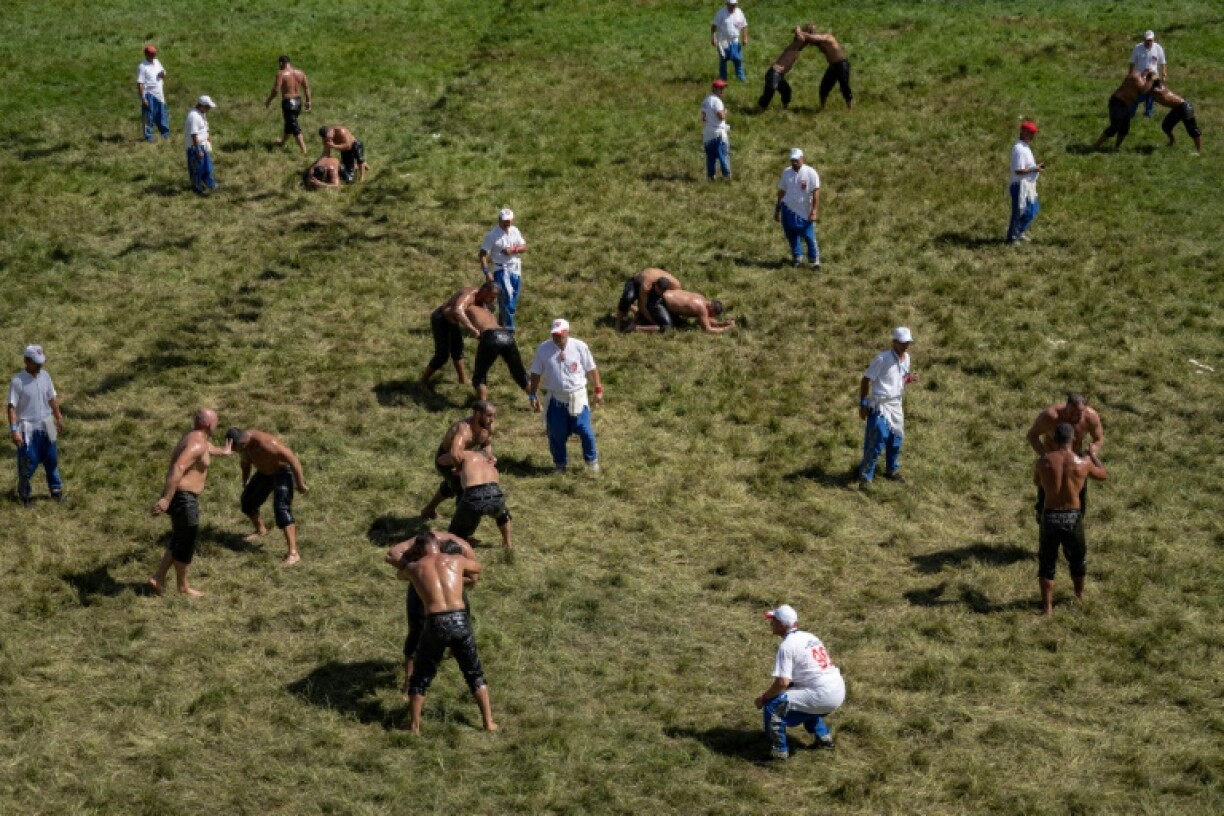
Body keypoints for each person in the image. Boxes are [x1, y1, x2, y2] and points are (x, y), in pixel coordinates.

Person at [397, 533, 497, 734]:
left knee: (420, 678)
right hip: (460, 619)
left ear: (419, 550)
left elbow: (400, 575)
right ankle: (488, 723)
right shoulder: (456, 560)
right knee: (474, 674)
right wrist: (456, 578)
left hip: (435, 622)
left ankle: (414, 726)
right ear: (439, 546)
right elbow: (477, 568)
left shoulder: (414, 568)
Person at [148, 408, 232, 596]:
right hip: (183, 499)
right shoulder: (197, 444)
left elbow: (206, 448)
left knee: (179, 538)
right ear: (209, 425)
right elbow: (178, 467)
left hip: (182, 498)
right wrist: (166, 499)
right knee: (186, 543)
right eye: (216, 422)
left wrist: (222, 451)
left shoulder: (194, 438)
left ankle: (158, 577)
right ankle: (183, 587)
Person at [385, 529, 477, 695]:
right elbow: (391, 554)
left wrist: (450, 578)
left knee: (461, 629)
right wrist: (415, 573)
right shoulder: (420, 542)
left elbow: (473, 578)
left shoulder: (462, 547)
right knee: (416, 630)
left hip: (452, 591)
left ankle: (454, 653)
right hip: (424, 589)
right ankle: (409, 679)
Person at [1034, 423, 1108, 616]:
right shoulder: (1082, 463)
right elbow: (1103, 475)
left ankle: (1047, 607)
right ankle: (1079, 594)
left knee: (1047, 561)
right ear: (1073, 439)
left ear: (1054, 439)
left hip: (1049, 515)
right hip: (1072, 516)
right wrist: (1092, 454)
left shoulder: (1043, 462)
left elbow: (1037, 481)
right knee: (1077, 559)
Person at [755, 604, 845, 760]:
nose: (770, 623)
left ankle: (779, 751)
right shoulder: (810, 637)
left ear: (782, 625)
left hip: (821, 694)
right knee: (804, 702)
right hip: (837, 689)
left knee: (773, 706)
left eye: (773, 620)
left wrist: (763, 698)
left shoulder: (786, 646)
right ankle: (824, 738)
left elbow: (782, 682)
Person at [225, 427, 310, 565]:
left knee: (281, 509)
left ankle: (293, 553)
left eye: (236, 449)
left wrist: (300, 484)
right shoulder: (244, 446)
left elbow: (293, 460)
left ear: (242, 443)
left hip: (282, 472)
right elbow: (245, 463)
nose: (236, 452)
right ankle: (260, 529)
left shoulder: (268, 444)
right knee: (247, 502)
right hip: (264, 473)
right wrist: (245, 480)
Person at [527, 319, 603, 474]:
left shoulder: (579, 346)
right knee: (556, 434)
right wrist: (532, 394)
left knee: (585, 431)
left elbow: (591, 368)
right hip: (556, 399)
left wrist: (598, 389)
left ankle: (591, 461)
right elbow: (535, 373)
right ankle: (560, 464)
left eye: (561, 334)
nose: (558, 337)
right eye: (555, 334)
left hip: (577, 397)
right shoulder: (543, 349)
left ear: (567, 332)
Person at [1026, 393, 1104, 518]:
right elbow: (1032, 435)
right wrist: (1046, 456)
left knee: (1077, 496)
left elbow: (1098, 439)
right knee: (1046, 497)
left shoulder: (1091, 416)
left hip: (1074, 461)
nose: (1074, 417)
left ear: (1085, 410)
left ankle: (1076, 521)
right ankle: (1043, 520)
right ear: (1065, 407)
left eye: (1078, 414)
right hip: (1052, 462)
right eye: (1071, 413)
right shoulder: (1051, 416)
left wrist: (1091, 454)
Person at [858, 327, 916, 486]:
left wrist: (909, 379)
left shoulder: (907, 358)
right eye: (903, 343)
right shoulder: (882, 359)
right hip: (880, 406)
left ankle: (892, 470)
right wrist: (863, 404)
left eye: (908, 342)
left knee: (896, 439)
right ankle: (865, 477)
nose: (906, 346)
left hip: (896, 405)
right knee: (877, 439)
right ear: (894, 342)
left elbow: (900, 378)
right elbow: (865, 380)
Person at [8, 344, 65, 506]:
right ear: (26, 361)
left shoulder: (45, 376)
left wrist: (58, 417)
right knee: (28, 462)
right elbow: (11, 407)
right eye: (35, 362)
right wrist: (14, 430)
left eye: (40, 362)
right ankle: (24, 495)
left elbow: (51, 399)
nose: (39, 365)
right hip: (27, 427)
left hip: (48, 423)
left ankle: (56, 491)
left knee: (52, 459)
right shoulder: (18, 381)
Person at [420, 402, 496, 520]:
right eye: (489, 415)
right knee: (465, 490)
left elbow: (487, 444)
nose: (492, 419)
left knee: (452, 485)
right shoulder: (464, 430)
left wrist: (488, 455)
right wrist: (460, 469)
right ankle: (461, 530)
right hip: (447, 460)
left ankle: (428, 510)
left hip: (464, 457)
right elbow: (454, 454)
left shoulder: (487, 426)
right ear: (477, 414)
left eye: (493, 416)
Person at [418, 283, 499, 390]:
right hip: (441, 319)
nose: (493, 300)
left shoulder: (482, 299)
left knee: (458, 349)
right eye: (491, 297)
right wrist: (472, 329)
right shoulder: (469, 295)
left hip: (452, 321)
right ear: (484, 291)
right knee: (442, 356)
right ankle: (422, 382)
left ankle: (462, 378)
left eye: (494, 297)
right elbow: (458, 310)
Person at [465, 297, 531, 401]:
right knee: (519, 373)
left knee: (480, 375)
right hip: (506, 334)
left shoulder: (468, 308)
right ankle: (536, 402)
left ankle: (483, 407)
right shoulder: (487, 311)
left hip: (490, 336)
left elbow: (456, 313)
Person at [446, 449, 512, 549]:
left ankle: (459, 548)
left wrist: (458, 468)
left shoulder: (466, 455)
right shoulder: (490, 464)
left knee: (452, 537)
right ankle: (508, 544)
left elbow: (442, 460)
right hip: (495, 494)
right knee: (502, 514)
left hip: (473, 496)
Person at [478, 209, 527, 331]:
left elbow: (524, 247)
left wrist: (513, 249)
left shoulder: (515, 231)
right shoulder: (492, 235)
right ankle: (508, 328)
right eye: (505, 221)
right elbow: (482, 254)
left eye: (509, 220)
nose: (507, 223)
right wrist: (487, 271)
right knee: (506, 299)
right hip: (501, 269)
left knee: (514, 298)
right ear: (499, 220)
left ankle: (502, 323)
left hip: (515, 268)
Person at [775, 147, 821, 270]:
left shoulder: (810, 173)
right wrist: (777, 208)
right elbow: (781, 191)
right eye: (792, 160)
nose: (794, 163)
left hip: (804, 210)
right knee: (791, 235)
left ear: (802, 158)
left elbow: (815, 192)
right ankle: (797, 257)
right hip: (788, 208)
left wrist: (814, 211)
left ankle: (815, 260)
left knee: (809, 236)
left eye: (796, 160)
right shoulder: (786, 172)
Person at [1093, 67, 1157, 151]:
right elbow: (1143, 90)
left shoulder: (1143, 81)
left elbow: (1147, 90)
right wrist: (1151, 80)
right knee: (1115, 126)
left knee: (1124, 128)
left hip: (1125, 105)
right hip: (1117, 102)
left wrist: (1150, 80)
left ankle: (1116, 147)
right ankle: (1096, 145)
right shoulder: (1135, 76)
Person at [757, 24, 816, 111]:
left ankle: (784, 108)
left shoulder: (798, 48)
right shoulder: (796, 44)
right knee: (770, 91)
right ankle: (759, 109)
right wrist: (805, 30)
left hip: (779, 75)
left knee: (787, 91)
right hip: (774, 73)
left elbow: (806, 39)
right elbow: (799, 31)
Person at [626, 289, 736, 334]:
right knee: (667, 328)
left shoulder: (701, 298)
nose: (710, 316)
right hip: (660, 303)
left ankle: (631, 307)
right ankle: (636, 328)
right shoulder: (701, 308)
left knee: (680, 323)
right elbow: (707, 329)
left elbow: (704, 320)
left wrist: (722, 323)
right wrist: (726, 328)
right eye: (712, 314)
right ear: (711, 309)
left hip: (660, 296)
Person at [794, 27, 852, 111]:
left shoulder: (828, 37)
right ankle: (822, 107)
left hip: (841, 64)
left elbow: (812, 38)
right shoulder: (819, 43)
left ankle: (850, 108)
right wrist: (801, 34)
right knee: (824, 87)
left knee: (844, 85)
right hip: (833, 66)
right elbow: (805, 41)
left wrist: (800, 32)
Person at [1006, 120, 1043, 244]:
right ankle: (1013, 236)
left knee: (1033, 209)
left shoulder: (1025, 147)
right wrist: (1034, 169)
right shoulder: (1019, 149)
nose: (1032, 136)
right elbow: (1018, 171)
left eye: (1033, 133)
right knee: (1019, 212)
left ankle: (1019, 231)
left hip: (1027, 186)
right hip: (1019, 186)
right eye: (1030, 133)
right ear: (1023, 132)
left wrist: (1035, 168)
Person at [265, 56, 312, 153]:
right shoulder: (300, 73)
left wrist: (269, 100)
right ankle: (282, 142)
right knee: (289, 122)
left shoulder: (281, 74)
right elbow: (306, 88)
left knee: (294, 125)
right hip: (298, 101)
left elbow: (276, 90)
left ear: (281, 63)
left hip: (288, 102)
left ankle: (304, 149)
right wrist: (308, 101)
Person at [615, 268, 681, 332]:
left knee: (665, 322)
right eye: (658, 291)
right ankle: (618, 322)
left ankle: (634, 312)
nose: (659, 293)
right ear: (655, 285)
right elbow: (642, 306)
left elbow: (677, 298)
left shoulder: (675, 285)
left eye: (661, 292)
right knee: (627, 298)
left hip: (653, 288)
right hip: (636, 284)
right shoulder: (646, 285)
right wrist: (651, 321)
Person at [1150, 80, 1203, 154]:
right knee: (1166, 126)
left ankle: (1199, 152)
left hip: (1185, 107)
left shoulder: (1157, 90)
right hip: (1177, 108)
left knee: (1192, 129)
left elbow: (1154, 89)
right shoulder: (1156, 89)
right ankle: (1173, 142)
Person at [1129, 30, 1167, 119]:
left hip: (1153, 76)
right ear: (1144, 39)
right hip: (1141, 76)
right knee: (1138, 96)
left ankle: (1148, 113)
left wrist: (1164, 74)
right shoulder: (1138, 48)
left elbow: (1163, 62)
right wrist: (1131, 74)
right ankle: (1131, 113)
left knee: (1151, 94)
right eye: (1147, 40)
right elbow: (1132, 62)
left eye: (1150, 40)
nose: (1149, 42)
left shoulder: (1158, 48)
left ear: (1153, 39)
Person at [185, 96, 218, 195]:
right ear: (202, 106)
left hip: (203, 145)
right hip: (194, 148)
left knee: (206, 167)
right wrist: (198, 149)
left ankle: (210, 183)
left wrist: (207, 138)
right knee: (197, 169)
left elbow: (203, 129)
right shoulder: (193, 116)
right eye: (208, 107)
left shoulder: (201, 114)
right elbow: (194, 134)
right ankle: (196, 187)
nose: (209, 109)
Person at [136, 45, 170, 142]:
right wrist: (143, 98)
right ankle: (149, 136)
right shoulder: (142, 67)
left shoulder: (157, 62)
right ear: (146, 54)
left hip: (159, 94)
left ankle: (165, 134)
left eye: (154, 54)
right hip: (149, 94)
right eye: (151, 54)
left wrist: (163, 74)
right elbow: (140, 83)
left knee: (162, 114)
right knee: (149, 116)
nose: (153, 56)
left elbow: (163, 72)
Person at [710, 0, 748, 82]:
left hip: (735, 40)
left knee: (737, 59)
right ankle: (723, 79)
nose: (733, 6)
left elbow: (744, 26)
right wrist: (713, 37)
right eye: (731, 5)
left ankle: (741, 79)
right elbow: (714, 26)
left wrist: (745, 37)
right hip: (723, 41)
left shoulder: (739, 12)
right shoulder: (721, 13)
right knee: (723, 59)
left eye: (734, 5)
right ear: (727, 4)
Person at [701, 80, 732, 181]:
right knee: (723, 155)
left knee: (710, 157)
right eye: (720, 88)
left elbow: (704, 119)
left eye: (723, 88)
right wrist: (725, 112)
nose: (722, 91)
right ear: (714, 89)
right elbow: (721, 116)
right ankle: (726, 176)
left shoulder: (705, 101)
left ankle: (710, 176)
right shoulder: (717, 101)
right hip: (718, 133)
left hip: (707, 133)